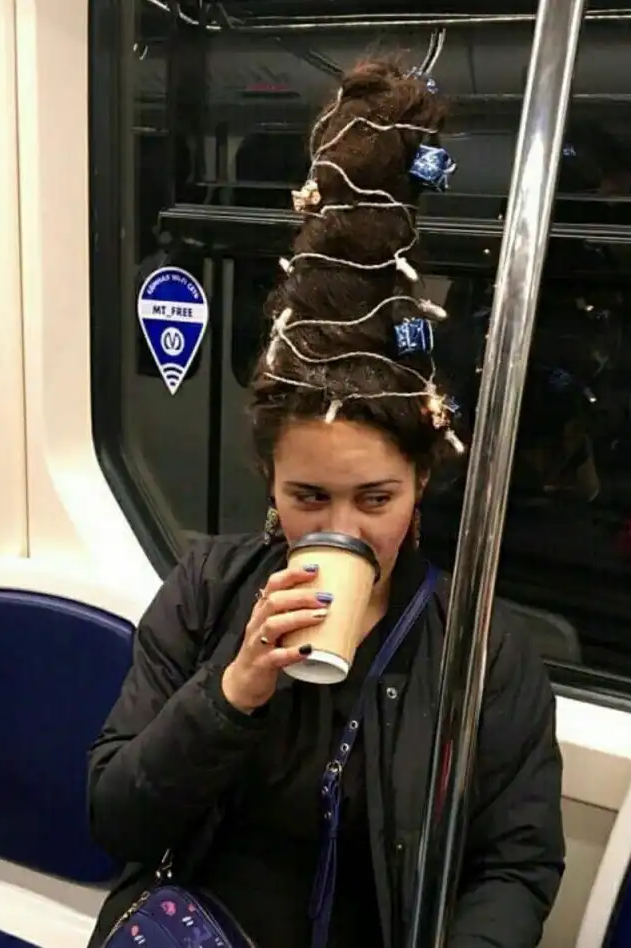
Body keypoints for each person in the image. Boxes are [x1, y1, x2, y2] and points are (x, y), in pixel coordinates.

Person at [87, 57, 564, 948]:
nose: (341, 528)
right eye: (308, 495)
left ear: (421, 485)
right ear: (270, 485)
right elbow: (116, 818)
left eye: (375, 497)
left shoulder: (482, 650)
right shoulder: (207, 592)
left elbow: (517, 867)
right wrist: (230, 693)